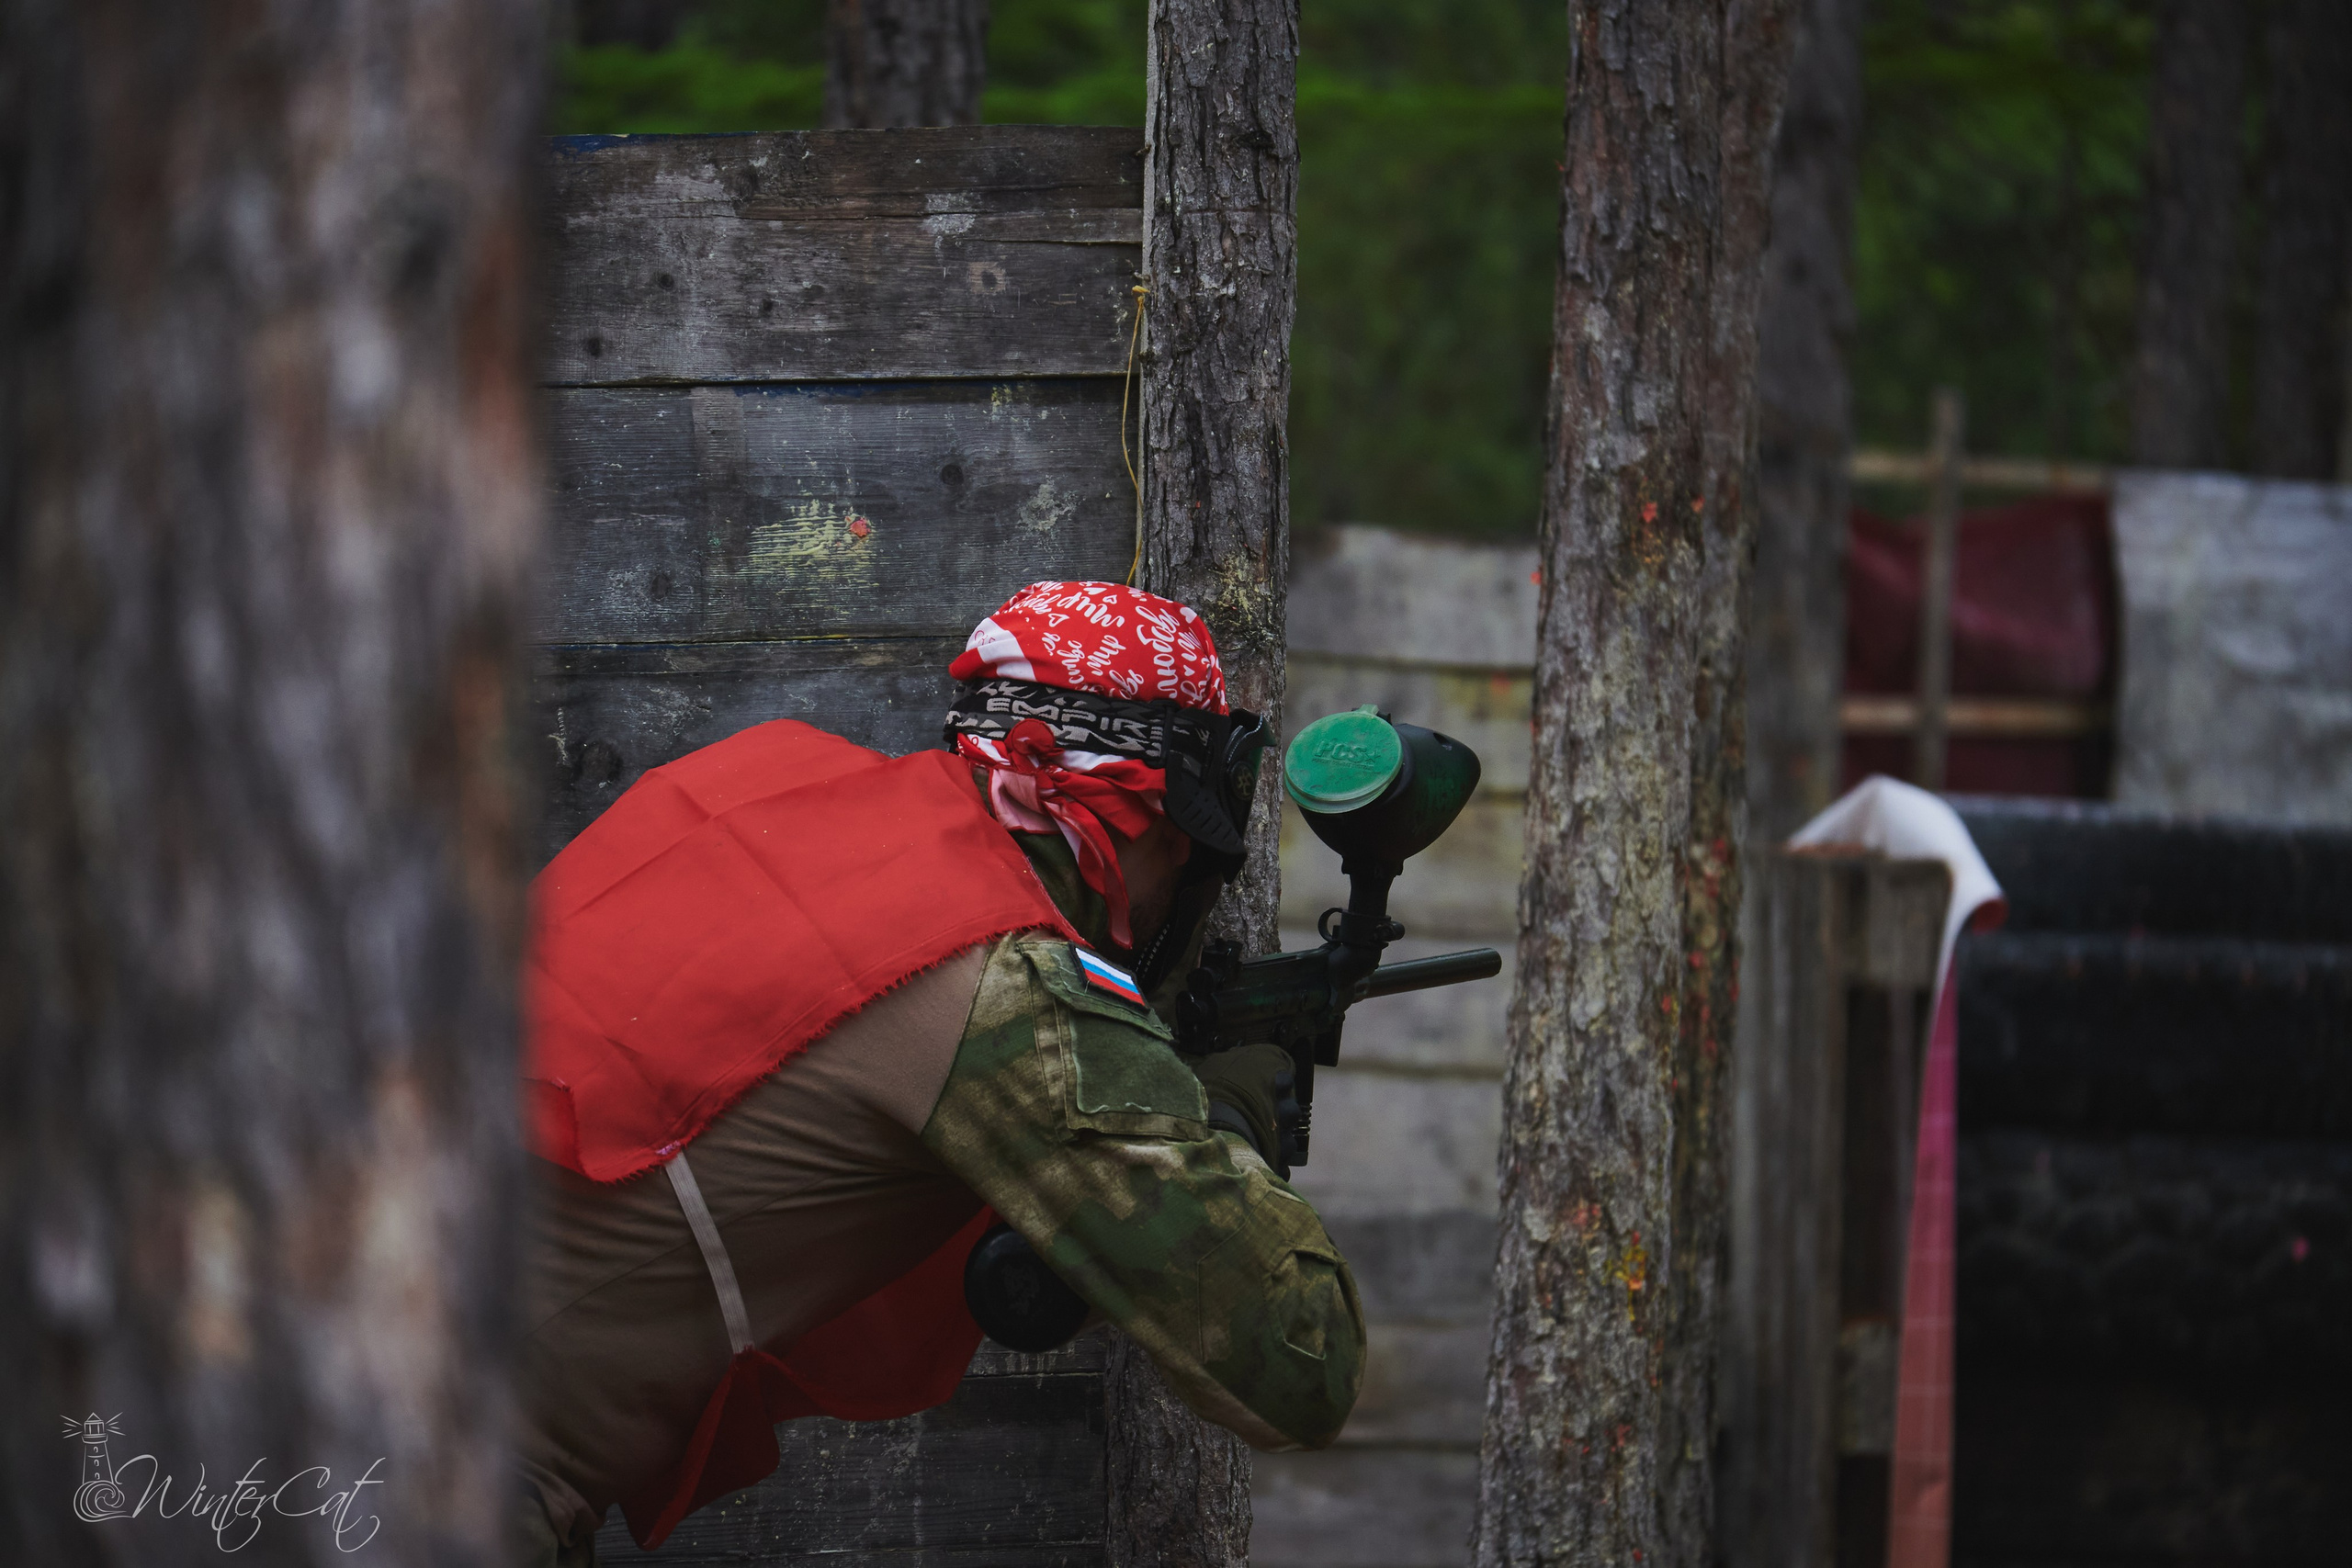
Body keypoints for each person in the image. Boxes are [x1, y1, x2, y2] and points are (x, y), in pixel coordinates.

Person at [516, 581, 1365, 1565]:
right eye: (1181, 850)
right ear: (1160, 825)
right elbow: (1304, 1361)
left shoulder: (770, 786)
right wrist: (1225, 1118)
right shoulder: (1001, 987)